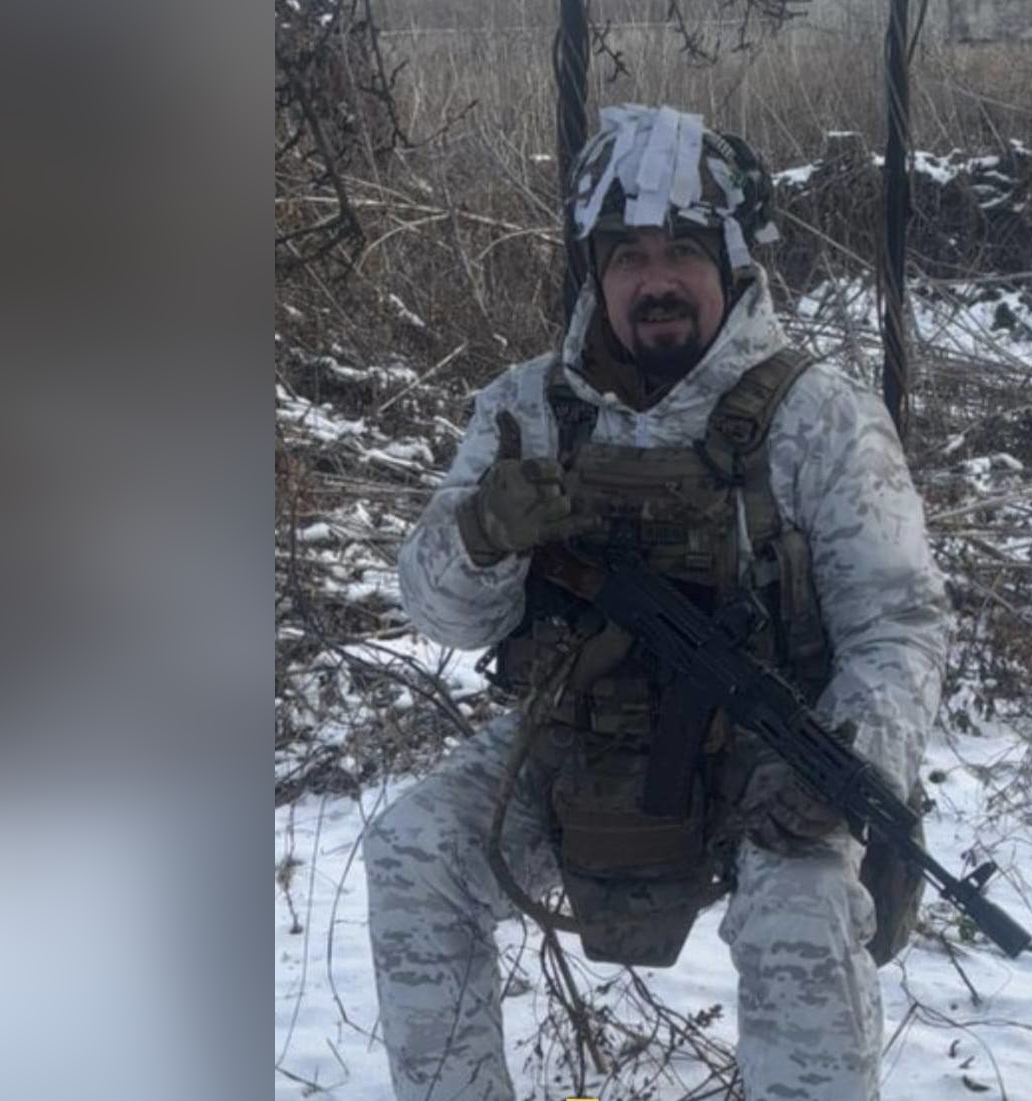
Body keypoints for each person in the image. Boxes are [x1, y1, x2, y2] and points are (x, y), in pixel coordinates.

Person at [364, 103, 950, 1101]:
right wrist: (481, 535)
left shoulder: (817, 416)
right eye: (628, 255)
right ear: (596, 273)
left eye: (683, 249)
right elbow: (442, 617)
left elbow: (896, 623)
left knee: (804, 906)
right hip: (574, 732)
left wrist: (856, 758)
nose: (657, 279)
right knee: (412, 851)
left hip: (769, 749)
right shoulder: (525, 411)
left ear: (731, 261)